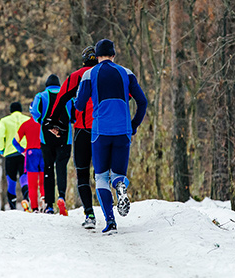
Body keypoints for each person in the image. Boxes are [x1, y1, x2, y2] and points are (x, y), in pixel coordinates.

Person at [75, 39, 147, 233]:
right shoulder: (127, 73)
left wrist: (78, 99)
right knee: (118, 175)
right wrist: (133, 124)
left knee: (101, 177)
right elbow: (142, 101)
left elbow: (80, 106)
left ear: (97, 56)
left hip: (100, 131)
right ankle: (121, 187)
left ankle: (111, 222)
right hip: (123, 130)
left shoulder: (90, 74)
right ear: (114, 55)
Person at [46, 46, 98, 228]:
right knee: (102, 174)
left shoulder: (77, 76)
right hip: (104, 130)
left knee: (83, 173)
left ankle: (90, 214)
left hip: (83, 129)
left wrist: (53, 122)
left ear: (84, 60)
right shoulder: (110, 74)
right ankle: (110, 212)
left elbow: (61, 98)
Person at [30, 74, 72, 215]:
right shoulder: (68, 95)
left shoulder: (41, 96)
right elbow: (73, 115)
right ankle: (61, 197)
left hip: (46, 138)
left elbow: (35, 113)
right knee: (61, 167)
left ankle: (49, 205)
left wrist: (47, 124)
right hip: (65, 138)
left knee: (48, 169)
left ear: (47, 85)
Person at [0, 102, 30, 210]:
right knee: (24, 178)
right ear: (21, 109)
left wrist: (1, 149)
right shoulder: (27, 119)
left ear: (10, 110)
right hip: (25, 153)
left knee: (11, 180)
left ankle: (12, 204)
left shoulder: (4, 121)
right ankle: (26, 199)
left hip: (10, 154)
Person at [13, 116, 45, 212]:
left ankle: (34, 207)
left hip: (31, 154)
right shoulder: (45, 123)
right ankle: (44, 199)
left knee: (32, 183)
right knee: (43, 180)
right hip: (44, 152)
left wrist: (23, 151)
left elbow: (15, 142)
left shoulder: (26, 124)